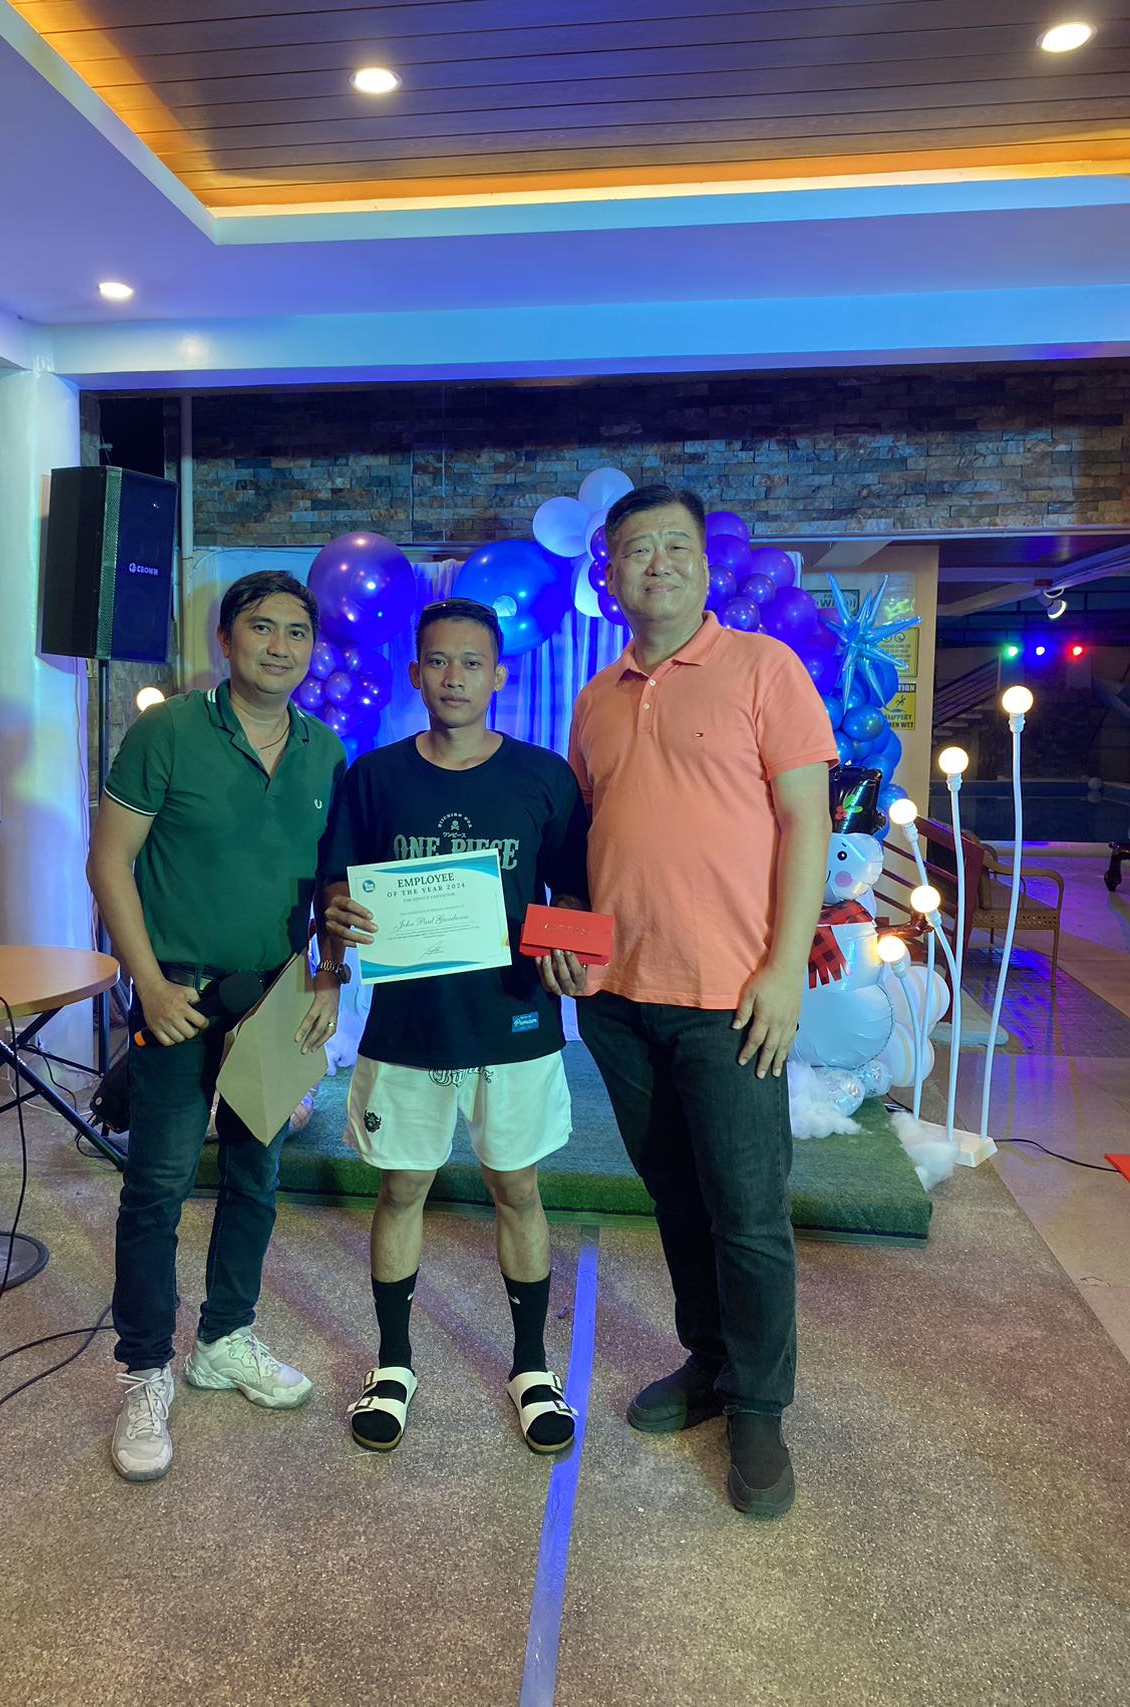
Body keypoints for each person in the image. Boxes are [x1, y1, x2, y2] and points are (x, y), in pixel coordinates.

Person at [568, 486, 836, 1519]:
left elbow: (805, 823)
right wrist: (570, 944)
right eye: (636, 549)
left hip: (731, 997)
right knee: (676, 1198)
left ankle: (760, 1405)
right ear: (610, 572)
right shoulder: (596, 697)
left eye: (675, 545)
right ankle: (711, 1361)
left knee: (747, 1213)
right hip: (619, 999)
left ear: (704, 564)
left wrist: (782, 968)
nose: (658, 563)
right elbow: (594, 842)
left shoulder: (764, 669)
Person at [87, 570, 346, 1482]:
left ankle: (225, 1338)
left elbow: (333, 889)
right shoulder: (167, 731)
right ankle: (144, 1369)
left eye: (297, 632)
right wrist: (148, 982)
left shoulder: (324, 750)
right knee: (157, 1186)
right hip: (179, 996)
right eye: (261, 627)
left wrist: (329, 975)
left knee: (255, 1176)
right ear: (226, 641)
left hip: (274, 999)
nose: (280, 645)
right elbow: (109, 861)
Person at [320, 598, 589, 1455]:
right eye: (438, 660)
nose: (454, 677)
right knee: (403, 1188)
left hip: (515, 1018)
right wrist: (337, 916)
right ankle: (393, 1364)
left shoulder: (544, 776)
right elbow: (337, 886)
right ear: (415, 673)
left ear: (499, 674)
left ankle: (531, 1367)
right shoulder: (374, 777)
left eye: (472, 662)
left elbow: (573, 889)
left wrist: (567, 948)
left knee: (519, 1188)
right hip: (409, 1023)